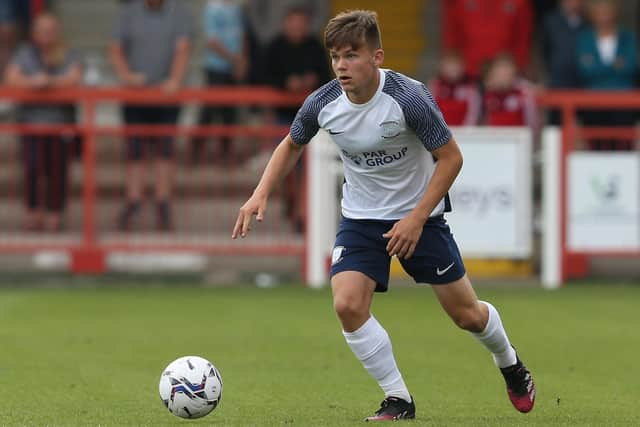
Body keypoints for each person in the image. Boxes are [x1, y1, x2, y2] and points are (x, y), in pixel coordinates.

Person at [232, 10, 536, 421]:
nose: (342, 65)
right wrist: (259, 194)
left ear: (376, 57)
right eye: (336, 56)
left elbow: (450, 159)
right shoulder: (323, 103)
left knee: (467, 316)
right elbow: (291, 143)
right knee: (347, 304)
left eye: (352, 55)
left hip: (419, 218)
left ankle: (511, 365)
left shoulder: (409, 98)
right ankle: (399, 399)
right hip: (360, 219)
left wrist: (415, 218)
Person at [110, 0, 193, 231]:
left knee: (165, 151)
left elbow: (183, 48)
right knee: (134, 151)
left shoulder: (179, 12)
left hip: (167, 98)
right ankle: (133, 200)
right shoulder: (128, 12)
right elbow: (116, 48)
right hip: (136, 97)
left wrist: (175, 80)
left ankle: (162, 202)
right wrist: (127, 76)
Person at [4, 13, 83, 231]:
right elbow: (11, 78)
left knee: (57, 172)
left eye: (50, 30)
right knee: (31, 170)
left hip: (60, 125)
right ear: (34, 33)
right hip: (31, 124)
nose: (46, 34)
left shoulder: (69, 52)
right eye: (42, 30)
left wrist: (49, 82)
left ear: (57, 32)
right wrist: (33, 83)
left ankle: (54, 214)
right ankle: (32, 213)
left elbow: (75, 78)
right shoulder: (24, 53)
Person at [191, 0, 248, 165]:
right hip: (215, 67)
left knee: (230, 112)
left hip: (233, 68)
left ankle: (226, 153)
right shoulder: (212, 8)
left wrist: (241, 61)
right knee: (209, 110)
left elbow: (242, 34)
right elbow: (212, 41)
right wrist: (234, 60)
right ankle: (196, 148)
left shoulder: (237, 8)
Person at [576, 0, 637, 150]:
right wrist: (614, 66)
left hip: (623, 102)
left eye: (607, 11)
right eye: (600, 11)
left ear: (615, 12)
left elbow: (631, 67)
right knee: (596, 146)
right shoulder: (584, 39)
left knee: (623, 146)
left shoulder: (628, 38)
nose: (604, 16)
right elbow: (584, 70)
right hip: (593, 103)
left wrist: (597, 65)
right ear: (592, 15)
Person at [442, 0, 533, 80]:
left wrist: (517, 67)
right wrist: (453, 61)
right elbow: (452, 34)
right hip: (468, 72)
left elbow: (522, 39)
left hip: (504, 75)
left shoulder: (519, 3)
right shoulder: (460, 2)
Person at [542, 0, 587, 125]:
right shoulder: (551, 22)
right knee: (555, 125)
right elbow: (546, 51)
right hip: (558, 81)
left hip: (582, 82)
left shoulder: (588, 22)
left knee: (581, 123)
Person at [481, 54, 537, 129]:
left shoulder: (523, 93)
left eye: (506, 72)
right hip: (492, 137)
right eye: (499, 73)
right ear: (493, 73)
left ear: (514, 72)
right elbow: (482, 121)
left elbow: (532, 121)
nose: (503, 77)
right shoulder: (486, 94)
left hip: (518, 138)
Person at [428, 51, 481, 126]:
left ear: (462, 68)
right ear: (441, 67)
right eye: (449, 66)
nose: (452, 70)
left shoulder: (470, 88)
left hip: (464, 131)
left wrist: (466, 130)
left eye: (455, 66)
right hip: (439, 130)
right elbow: (429, 109)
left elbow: (473, 112)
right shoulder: (434, 85)